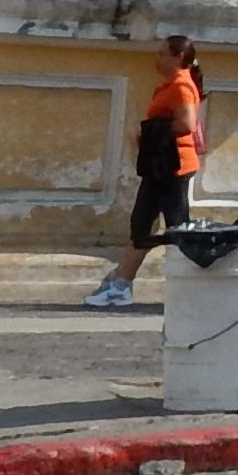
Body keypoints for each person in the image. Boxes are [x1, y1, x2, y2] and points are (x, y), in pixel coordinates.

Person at [86, 36, 204, 310]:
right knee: (145, 225)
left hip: (172, 166)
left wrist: (150, 132)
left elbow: (186, 123)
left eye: (163, 54)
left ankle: (193, 288)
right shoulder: (173, 84)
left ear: (177, 57)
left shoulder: (181, 85)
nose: (157, 59)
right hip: (161, 166)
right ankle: (121, 285)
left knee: (177, 229)